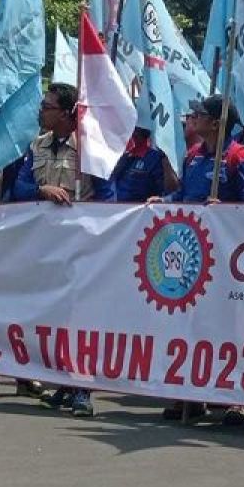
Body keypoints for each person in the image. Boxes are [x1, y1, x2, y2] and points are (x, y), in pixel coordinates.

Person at [148, 95, 244, 422]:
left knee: (234, 327)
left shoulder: (239, 158)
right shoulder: (194, 156)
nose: (193, 117)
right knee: (195, 324)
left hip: (231, 259)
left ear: (217, 123)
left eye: (201, 114)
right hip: (196, 258)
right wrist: (163, 201)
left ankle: (240, 398)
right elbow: (183, 197)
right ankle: (192, 394)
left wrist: (225, 213)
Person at [12, 83, 107, 414]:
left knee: (82, 316)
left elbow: (110, 194)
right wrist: (42, 190)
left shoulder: (91, 148)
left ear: (66, 113)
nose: (41, 111)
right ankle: (65, 383)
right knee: (57, 315)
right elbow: (18, 187)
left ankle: (83, 388)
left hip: (82, 243)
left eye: (47, 106)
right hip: (44, 244)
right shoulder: (37, 145)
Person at [106, 127, 177, 203]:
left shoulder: (155, 158)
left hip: (142, 211)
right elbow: (111, 180)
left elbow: (165, 190)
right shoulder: (124, 156)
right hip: (116, 209)